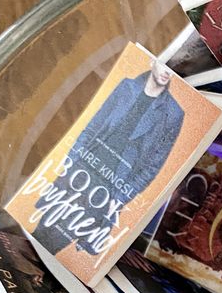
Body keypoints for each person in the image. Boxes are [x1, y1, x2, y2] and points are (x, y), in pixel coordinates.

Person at [36, 58, 185, 256]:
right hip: (84, 165)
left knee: (60, 238)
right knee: (44, 225)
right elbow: (92, 126)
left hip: (112, 185)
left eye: (171, 70)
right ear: (152, 61)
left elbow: (152, 167)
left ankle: (35, 269)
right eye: (163, 65)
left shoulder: (173, 114)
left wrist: (122, 197)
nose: (167, 72)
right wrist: (69, 161)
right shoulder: (126, 87)